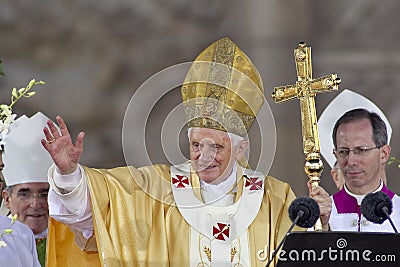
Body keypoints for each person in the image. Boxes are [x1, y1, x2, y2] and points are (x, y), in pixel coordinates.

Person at [42, 37, 304, 266]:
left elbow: (307, 253)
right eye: (196, 145)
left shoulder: (275, 199)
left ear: (240, 150)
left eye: (217, 146)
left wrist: (323, 222)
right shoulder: (157, 190)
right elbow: (100, 210)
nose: (205, 156)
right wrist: (68, 174)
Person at [311, 108, 400, 232]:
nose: (351, 161)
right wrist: (324, 227)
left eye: (361, 150)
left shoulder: (398, 212)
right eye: (343, 151)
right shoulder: (322, 214)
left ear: (383, 154)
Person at [1, 112, 54, 266]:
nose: (36, 204)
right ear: (7, 199)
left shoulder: (74, 241)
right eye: (24, 194)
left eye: (45, 194)